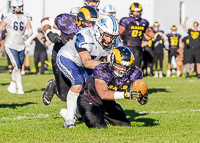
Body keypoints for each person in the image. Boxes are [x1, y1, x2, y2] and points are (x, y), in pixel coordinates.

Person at [56, 15, 120, 127]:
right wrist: (111, 66)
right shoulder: (85, 35)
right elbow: (87, 62)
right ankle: (69, 120)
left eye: (112, 36)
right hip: (68, 58)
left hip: (87, 63)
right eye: (106, 35)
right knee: (79, 81)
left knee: (96, 86)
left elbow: (111, 60)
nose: (109, 39)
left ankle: (82, 112)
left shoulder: (114, 41)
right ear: (98, 31)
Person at [77, 46, 148, 129]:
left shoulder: (134, 73)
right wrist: (125, 94)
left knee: (124, 124)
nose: (122, 70)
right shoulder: (103, 69)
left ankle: (102, 116)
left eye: (125, 67)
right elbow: (103, 94)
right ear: (112, 62)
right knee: (99, 127)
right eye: (119, 65)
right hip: (89, 101)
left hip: (107, 102)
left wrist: (142, 98)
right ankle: (82, 115)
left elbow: (139, 91)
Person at [41, 6, 99, 106]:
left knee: (87, 86)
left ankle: (83, 111)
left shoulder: (96, 30)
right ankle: (53, 86)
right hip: (62, 57)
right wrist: (49, 33)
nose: (90, 25)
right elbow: (45, 20)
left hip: (81, 59)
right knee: (64, 96)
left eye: (92, 22)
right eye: (88, 22)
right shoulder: (68, 23)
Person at [0, 0, 33, 94]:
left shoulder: (25, 17)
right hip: (10, 44)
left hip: (21, 45)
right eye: (16, 7)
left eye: (19, 6)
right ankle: (20, 87)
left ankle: (13, 84)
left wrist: (27, 35)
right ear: (12, 7)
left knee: (18, 66)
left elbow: (30, 30)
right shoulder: (8, 17)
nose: (18, 8)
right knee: (17, 66)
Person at [119, 3, 161, 69]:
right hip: (126, 46)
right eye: (135, 11)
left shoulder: (143, 22)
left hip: (138, 47)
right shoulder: (126, 21)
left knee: (137, 66)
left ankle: (135, 78)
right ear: (131, 12)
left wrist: (155, 36)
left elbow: (148, 32)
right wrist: (120, 42)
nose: (136, 13)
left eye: (138, 11)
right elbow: (120, 32)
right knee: (125, 65)